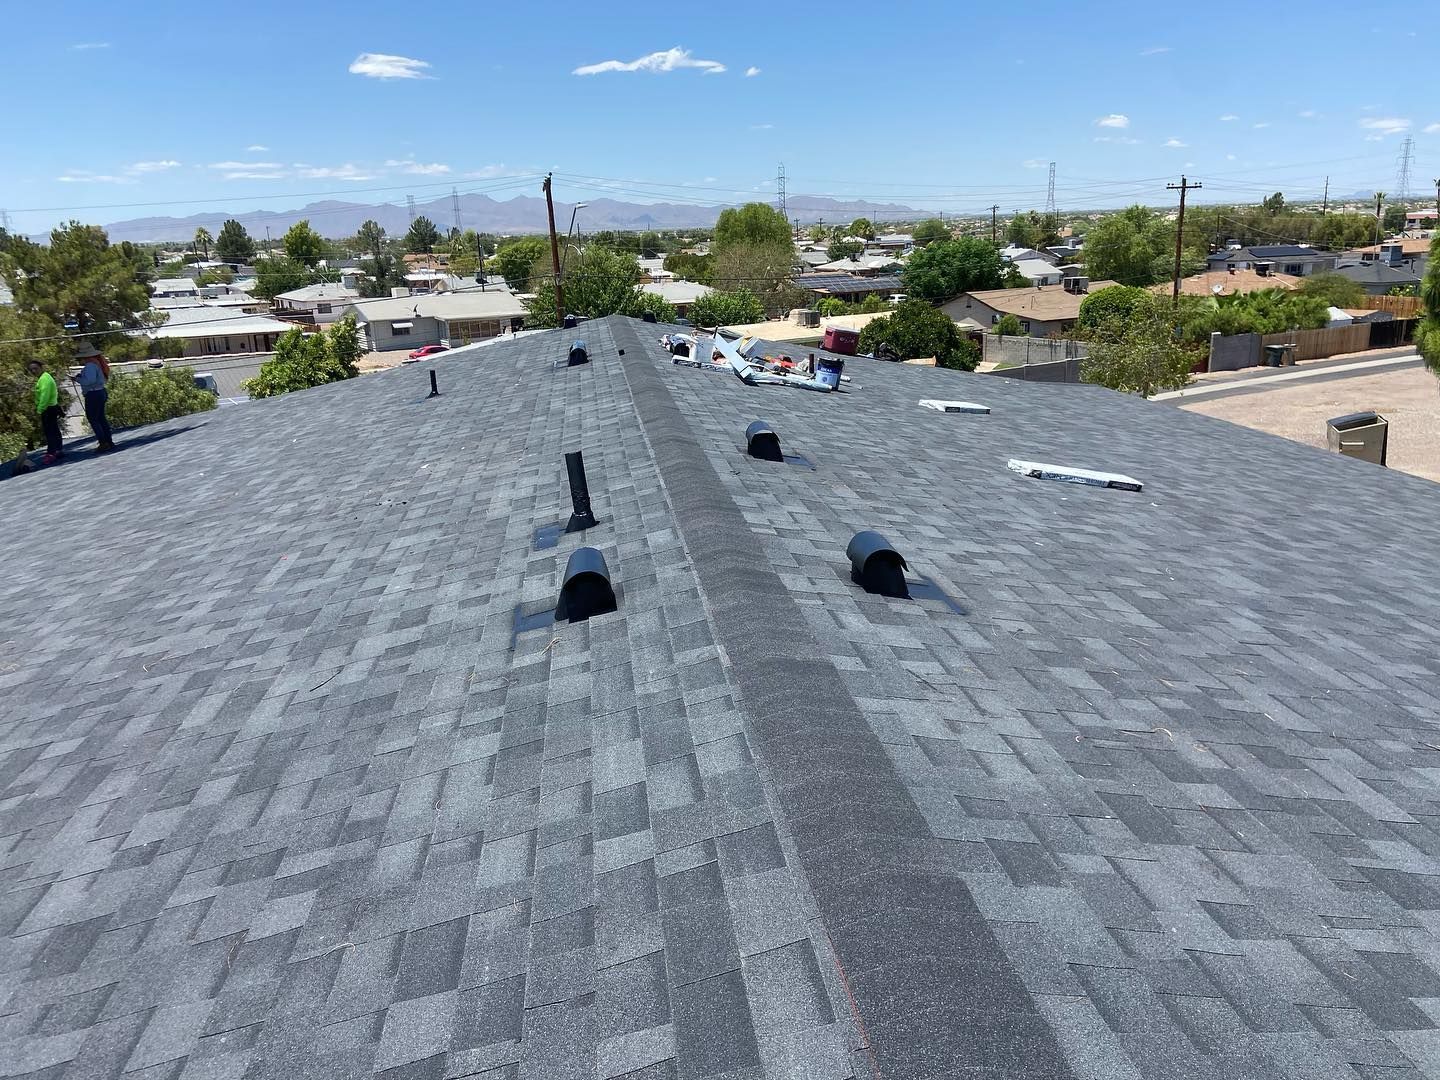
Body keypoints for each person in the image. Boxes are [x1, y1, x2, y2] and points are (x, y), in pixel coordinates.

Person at [73, 341, 114, 452]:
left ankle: (103, 442)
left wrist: (77, 379)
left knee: (93, 418)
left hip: (93, 394)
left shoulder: (90, 365)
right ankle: (108, 441)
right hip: (100, 392)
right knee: (101, 418)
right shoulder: (96, 363)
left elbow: (89, 381)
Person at [28, 359, 63, 464]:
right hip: (52, 407)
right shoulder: (44, 378)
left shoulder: (44, 379)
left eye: (36, 368)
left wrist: (40, 409)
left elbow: (45, 395)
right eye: (31, 370)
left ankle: (51, 453)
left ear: (41, 368)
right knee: (54, 430)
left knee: (49, 431)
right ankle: (58, 450)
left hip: (48, 408)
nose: (34, 371)